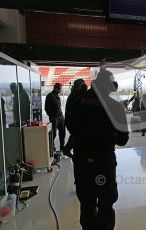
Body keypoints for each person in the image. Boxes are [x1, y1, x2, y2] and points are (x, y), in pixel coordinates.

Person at [67, 69, 129, 230]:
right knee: (106, 205)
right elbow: (123, 140)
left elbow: (71, 127)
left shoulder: (76, 102)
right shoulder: (115, 107)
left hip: (82, 163)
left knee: (87, 205)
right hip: (104, 164)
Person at [63, 79, 87, 157]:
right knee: (75, 136)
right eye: (83, 85)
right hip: (73, 122)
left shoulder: (74, 94)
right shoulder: (77, 95)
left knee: (74, 136)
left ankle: (67, 149)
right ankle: (67, 149)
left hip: (71, 121)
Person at [45, 83, 66, 152]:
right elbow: (46, 108)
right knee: (53, 134)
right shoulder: (50, 96)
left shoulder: (57, 96)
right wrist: (51, 116)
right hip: (54, 118)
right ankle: (52, 148)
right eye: (60, 89)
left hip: (60, 117)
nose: (61, 90)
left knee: (63, 133)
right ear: (57, 88)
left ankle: (62, 148)